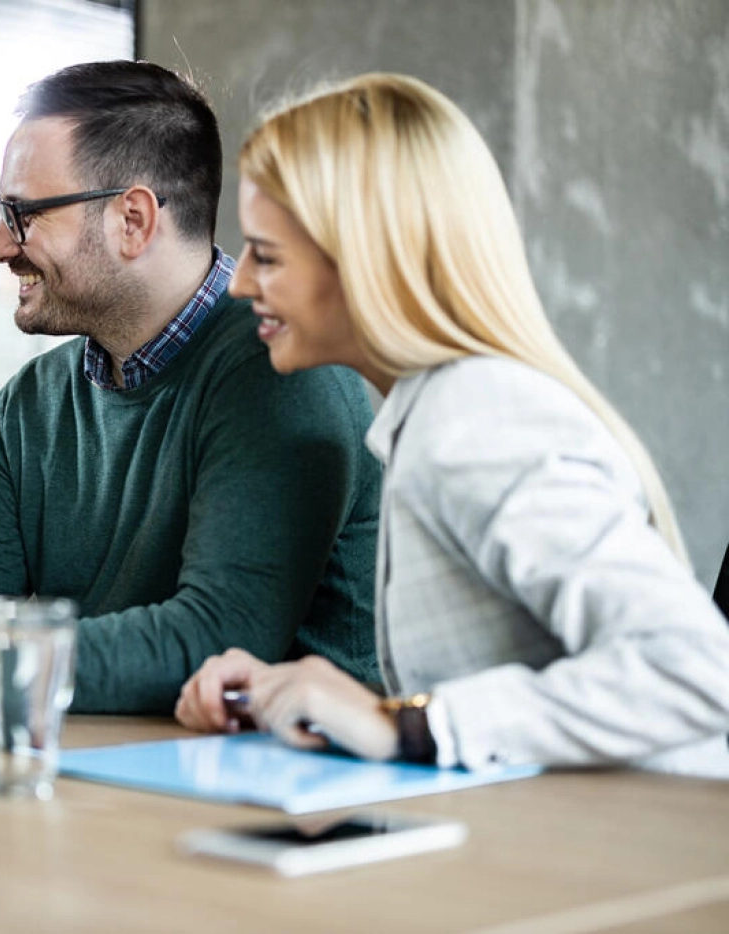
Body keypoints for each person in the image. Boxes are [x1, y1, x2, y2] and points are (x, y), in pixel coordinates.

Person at [0, 60, 382, 722]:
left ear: (133, 220)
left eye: (22, 214)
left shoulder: (284, 372)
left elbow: (218, 639)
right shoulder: (32, 401)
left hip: (291, 802)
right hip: (107, 780)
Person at [176, 73, 729, 776]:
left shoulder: (476, 418)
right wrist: (318, 698)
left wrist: (406, 726)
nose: (239, 281)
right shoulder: (434, 413)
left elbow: (694, 668)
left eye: (269, 254)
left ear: (371, 261)